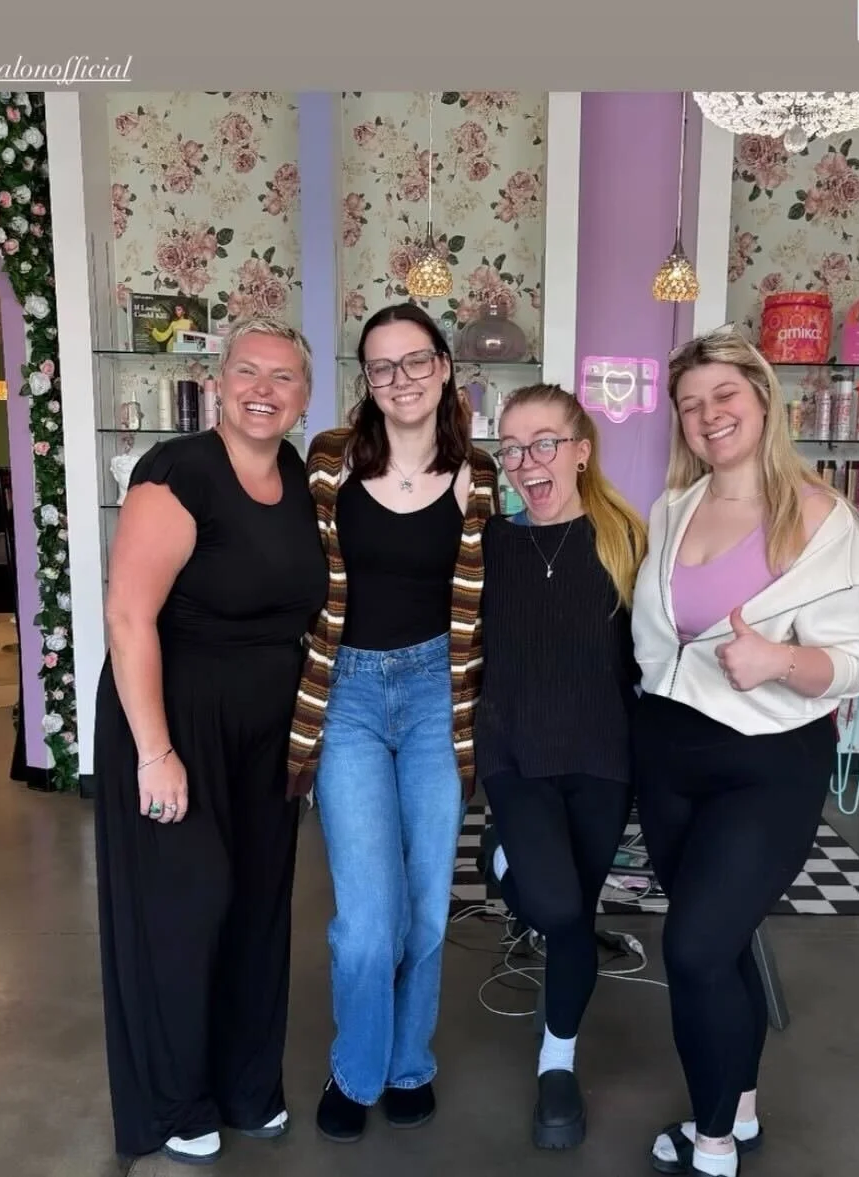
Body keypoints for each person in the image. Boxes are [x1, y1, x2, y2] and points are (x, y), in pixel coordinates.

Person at [629, 326, 859, 1177]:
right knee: (728, 938)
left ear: (761, 400)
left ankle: (711, 1143)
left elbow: (857, 662)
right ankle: (738, 1106)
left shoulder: (818, 517)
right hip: (668, 751)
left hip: (767, 760)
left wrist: (779, 659)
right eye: (689, 404)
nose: (707, 415)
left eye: (722, 396)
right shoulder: (672, 507)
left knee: (695, 946)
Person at [92, 317, 328, 1166]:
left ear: (304, 394)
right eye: (249, 372)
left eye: (285, 377)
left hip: (268, 729)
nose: (264, 390)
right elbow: (128, 615)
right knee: (188, 905)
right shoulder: (179, 472)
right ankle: (177, 1096)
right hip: (175, 716)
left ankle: (245, 1084)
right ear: (217, 381)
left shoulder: (300, 476)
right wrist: (156, 751)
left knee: (261, 905)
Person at [285, 302, 500, 1143]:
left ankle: (410, 1060)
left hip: (436, 701)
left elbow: (497, 591)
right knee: (366, 917)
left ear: (444, 367)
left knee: (426, 907)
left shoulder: (479, 472)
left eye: (416, 361)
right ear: (365, 382)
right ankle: (357, 1065)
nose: (401, 379)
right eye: (382, 367)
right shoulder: (329, 461)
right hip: (347, 697)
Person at [473, 383, 647, 1150]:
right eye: (510, 447)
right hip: (515, 754)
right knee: (558, 904)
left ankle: (557, 1060)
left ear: (580, 450)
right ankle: (504, 856)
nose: (524, 462)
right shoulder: (487, 545)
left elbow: (658, 660)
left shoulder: (627, 543)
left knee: (575, 911)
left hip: (602, 759)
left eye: (543, 442)